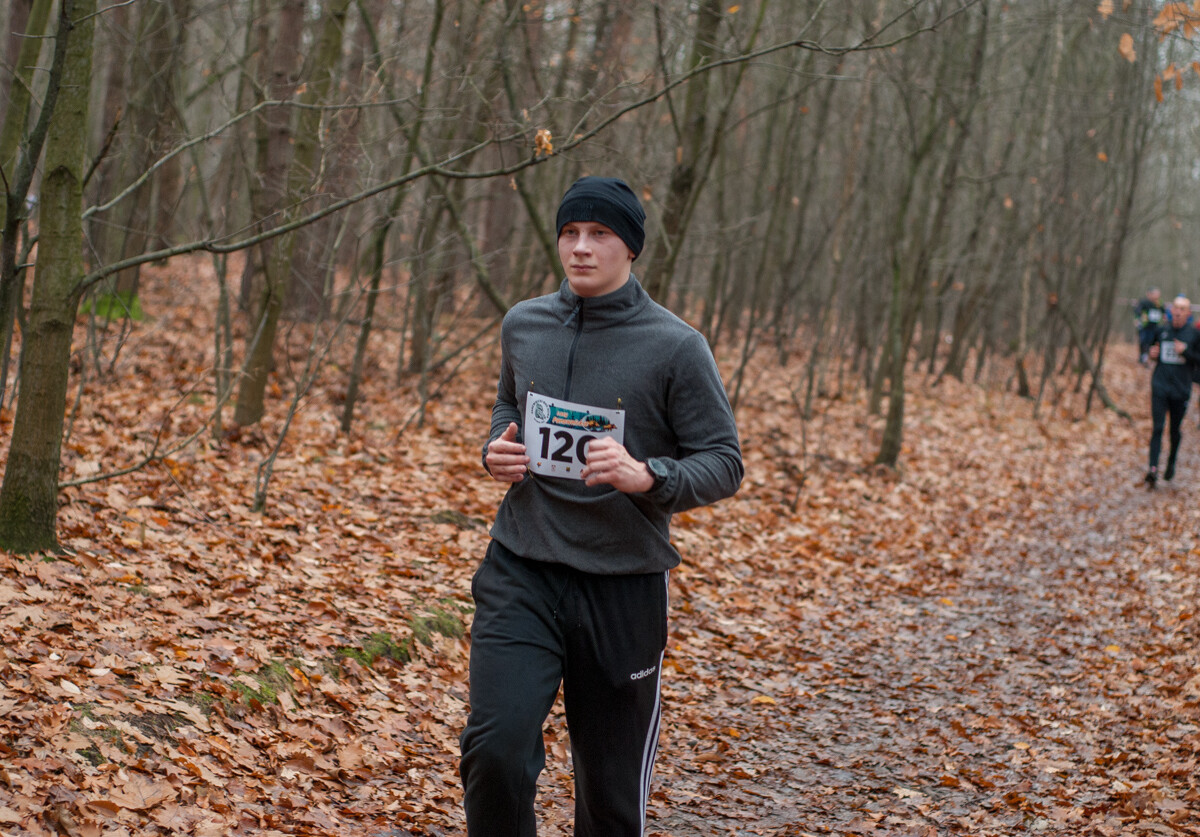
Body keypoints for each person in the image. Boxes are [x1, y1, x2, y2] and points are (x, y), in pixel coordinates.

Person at [459, 175, 744, 836]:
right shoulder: (523, 323)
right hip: (521, 567)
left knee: (610, 802)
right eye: (570, 233)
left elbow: (724, 461)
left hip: (621, 586)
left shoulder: (675, 346)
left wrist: (649, 476)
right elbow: (511, 407)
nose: (581, 248)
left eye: (600, 234)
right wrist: (494, 449)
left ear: (631, 248)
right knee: (495, 752)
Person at [1145, 294, 1200, 487]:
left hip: (1180, 390)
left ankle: (1171, 463)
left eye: (1181, 308)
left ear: (1188, 313)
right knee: (1158, 427)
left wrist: (1185, 351)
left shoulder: (1194, 334)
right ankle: (1152, 469)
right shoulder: (1162, 330)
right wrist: (1152, 355)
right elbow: (1151, 350)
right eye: (1175, 307)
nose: (1177, 311)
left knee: (1174, 430)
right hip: (1160, 386)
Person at [1134, 287, 1166, 365]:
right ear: (1149, 294)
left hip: (1155, 327)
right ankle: (1142, 357)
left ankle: (1148, 358)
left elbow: (1164, 311)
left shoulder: (1159, 303)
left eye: (1158, 294)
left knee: (1152, 342)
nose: (1157, 296)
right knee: (1143, 341)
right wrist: (1138, 318)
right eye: (1155, 294)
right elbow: (1137, 310)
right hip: (1145, 326)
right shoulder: (1144, 302)